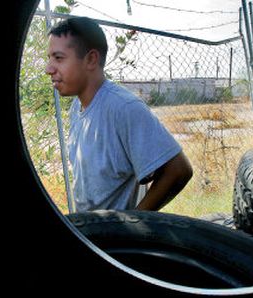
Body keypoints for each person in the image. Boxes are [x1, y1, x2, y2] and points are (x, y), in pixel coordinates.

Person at [45, 17, 193, 212]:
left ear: (91, 59)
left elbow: (179, 170)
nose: (48, 69)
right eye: (50, 58)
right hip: (90, 230)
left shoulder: (123, 108)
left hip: (114, 239)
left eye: (58, 58)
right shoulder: (76, 106)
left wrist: (134, 225)